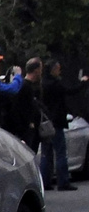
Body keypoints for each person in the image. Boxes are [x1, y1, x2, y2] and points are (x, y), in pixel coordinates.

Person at [39, 58, 75, 190]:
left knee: (46, 154)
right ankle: (63, 181)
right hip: (57, 122)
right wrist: (83, 83)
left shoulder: (42, 84)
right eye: (58, 69)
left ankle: (45, 181)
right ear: (54, 69)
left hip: (45, 122)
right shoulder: (56, 85)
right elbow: (70, 91)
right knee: (60, 152)